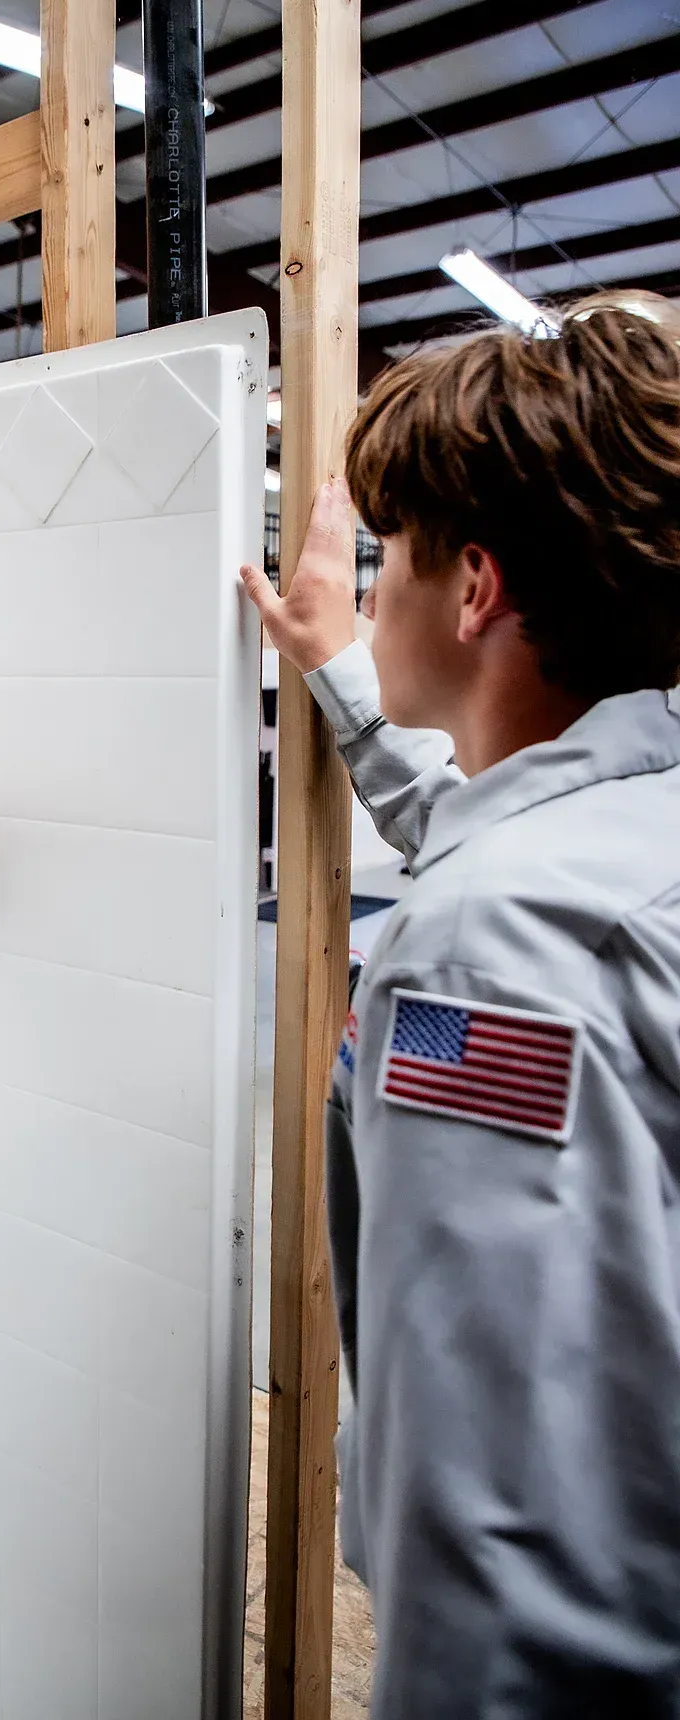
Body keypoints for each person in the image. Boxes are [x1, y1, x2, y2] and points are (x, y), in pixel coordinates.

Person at [242, 292, 680, 1717]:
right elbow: (492, 834)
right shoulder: (624, 827)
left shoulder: (487, 957)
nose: (371, 597)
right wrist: (341, 680)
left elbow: (509, 1529)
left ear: (476, 588)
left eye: (391, 560)